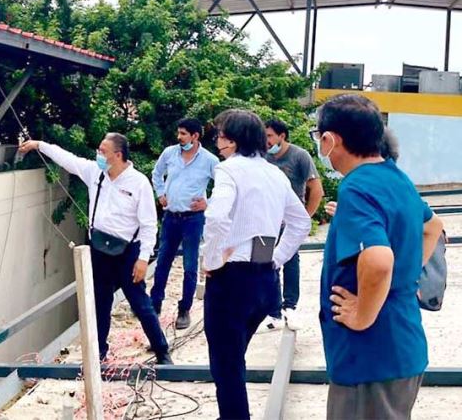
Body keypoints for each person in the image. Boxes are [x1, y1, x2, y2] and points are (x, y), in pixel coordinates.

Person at [313, 94, 444, 419]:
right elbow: (433, 227)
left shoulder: (356, 188)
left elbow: (378, 259)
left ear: (330, 139)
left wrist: (363, 315)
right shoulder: (395, 177)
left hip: (370, 358)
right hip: (402, 345)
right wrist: (405, 276)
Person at [18, 134, 173, 364]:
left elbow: (149, 224)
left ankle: (162, 351)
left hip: (127, 251)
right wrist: (39, 145)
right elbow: (68, 159)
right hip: (100, 249)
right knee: (100, 301)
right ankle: (98, 352)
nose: (98, 155)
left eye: (103, 151)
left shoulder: (138, 182)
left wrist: (143, 259)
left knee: (139, 302)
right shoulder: (95, 172)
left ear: (118, 155)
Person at [201, 109, 311, 420]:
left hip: (232, 280)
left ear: (233, 140)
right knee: (234, 357)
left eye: (220, 136)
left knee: (226, 365)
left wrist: (211, 259)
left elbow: (216, 217)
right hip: (265, 278)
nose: (217, 142)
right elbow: (301, 222)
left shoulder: (229, 170)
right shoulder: (274, 173)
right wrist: (277, 258)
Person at [150, 117, 219, 329]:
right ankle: (154, 304)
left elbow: (224, 185)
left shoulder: (209, 160)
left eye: (183, 134)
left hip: (193, 219)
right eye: (178, 133)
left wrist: (208, 203)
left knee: (190, 266)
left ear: (195, 136)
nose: (179, 137)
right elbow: (156, 173)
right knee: (163, 262)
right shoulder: (169, 153)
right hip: (171, 217)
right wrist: (160, 193)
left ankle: (184, 309)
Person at [260, 119, 324, 331]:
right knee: (263, 263)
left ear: (282, 136)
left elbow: (317, 190)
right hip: (266, 221)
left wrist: (304, 219)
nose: (266, 140)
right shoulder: (261, 157)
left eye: (270, 136)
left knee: (290, 261)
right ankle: (272, 311)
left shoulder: (299, 156)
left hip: (289, 221)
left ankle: (290, 306)